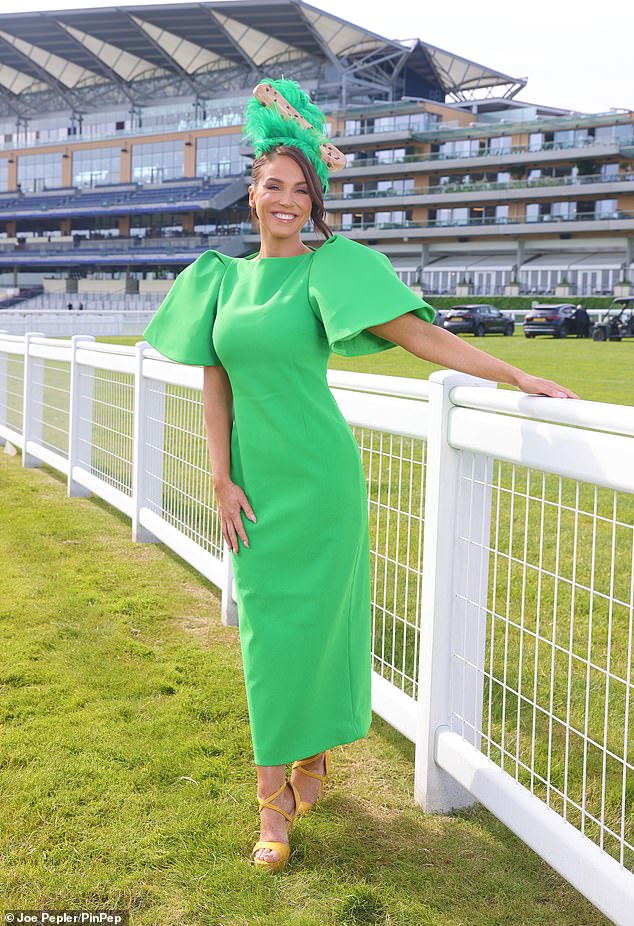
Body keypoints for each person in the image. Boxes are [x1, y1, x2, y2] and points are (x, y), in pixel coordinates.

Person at [142, 77, 579, 875]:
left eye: (300, 190)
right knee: (270, 639)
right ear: (252, 194)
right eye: (273, 186)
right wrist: (218, 476)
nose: (285, 200)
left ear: (313, 204)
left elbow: (421, 338)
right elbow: (215, 379)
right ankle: (276, 797)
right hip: (255, 488)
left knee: (316, 629)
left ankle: (299, 774)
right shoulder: (219, 280)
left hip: (323, 483)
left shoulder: (326, 273)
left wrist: (515, 375)